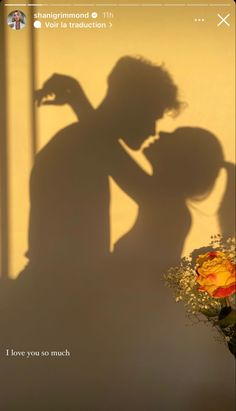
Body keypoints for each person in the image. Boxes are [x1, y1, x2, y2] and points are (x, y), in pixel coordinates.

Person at [25, 56, 181, 275]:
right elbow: (148, 194)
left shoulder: (84, 142)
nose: (153, 131)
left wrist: (79, 101)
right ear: (131, 106)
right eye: (152, 117)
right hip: (59, 293)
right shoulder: (81, 147)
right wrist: (79, 101)